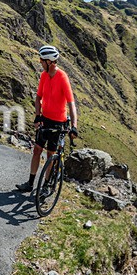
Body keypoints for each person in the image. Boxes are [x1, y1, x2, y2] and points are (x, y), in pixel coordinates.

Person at [16, 45, 79, 193]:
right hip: (45, 119)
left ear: (50, 62)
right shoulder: (44, 76)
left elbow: (71, 104)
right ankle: (30, 183)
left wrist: (74, 126)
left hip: (58, 123)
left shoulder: (62, 77)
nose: (40, 62)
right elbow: (38, 97)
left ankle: (45, 186)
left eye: (42, 60)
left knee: (50, 154)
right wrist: (37, 116)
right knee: (37, 150)